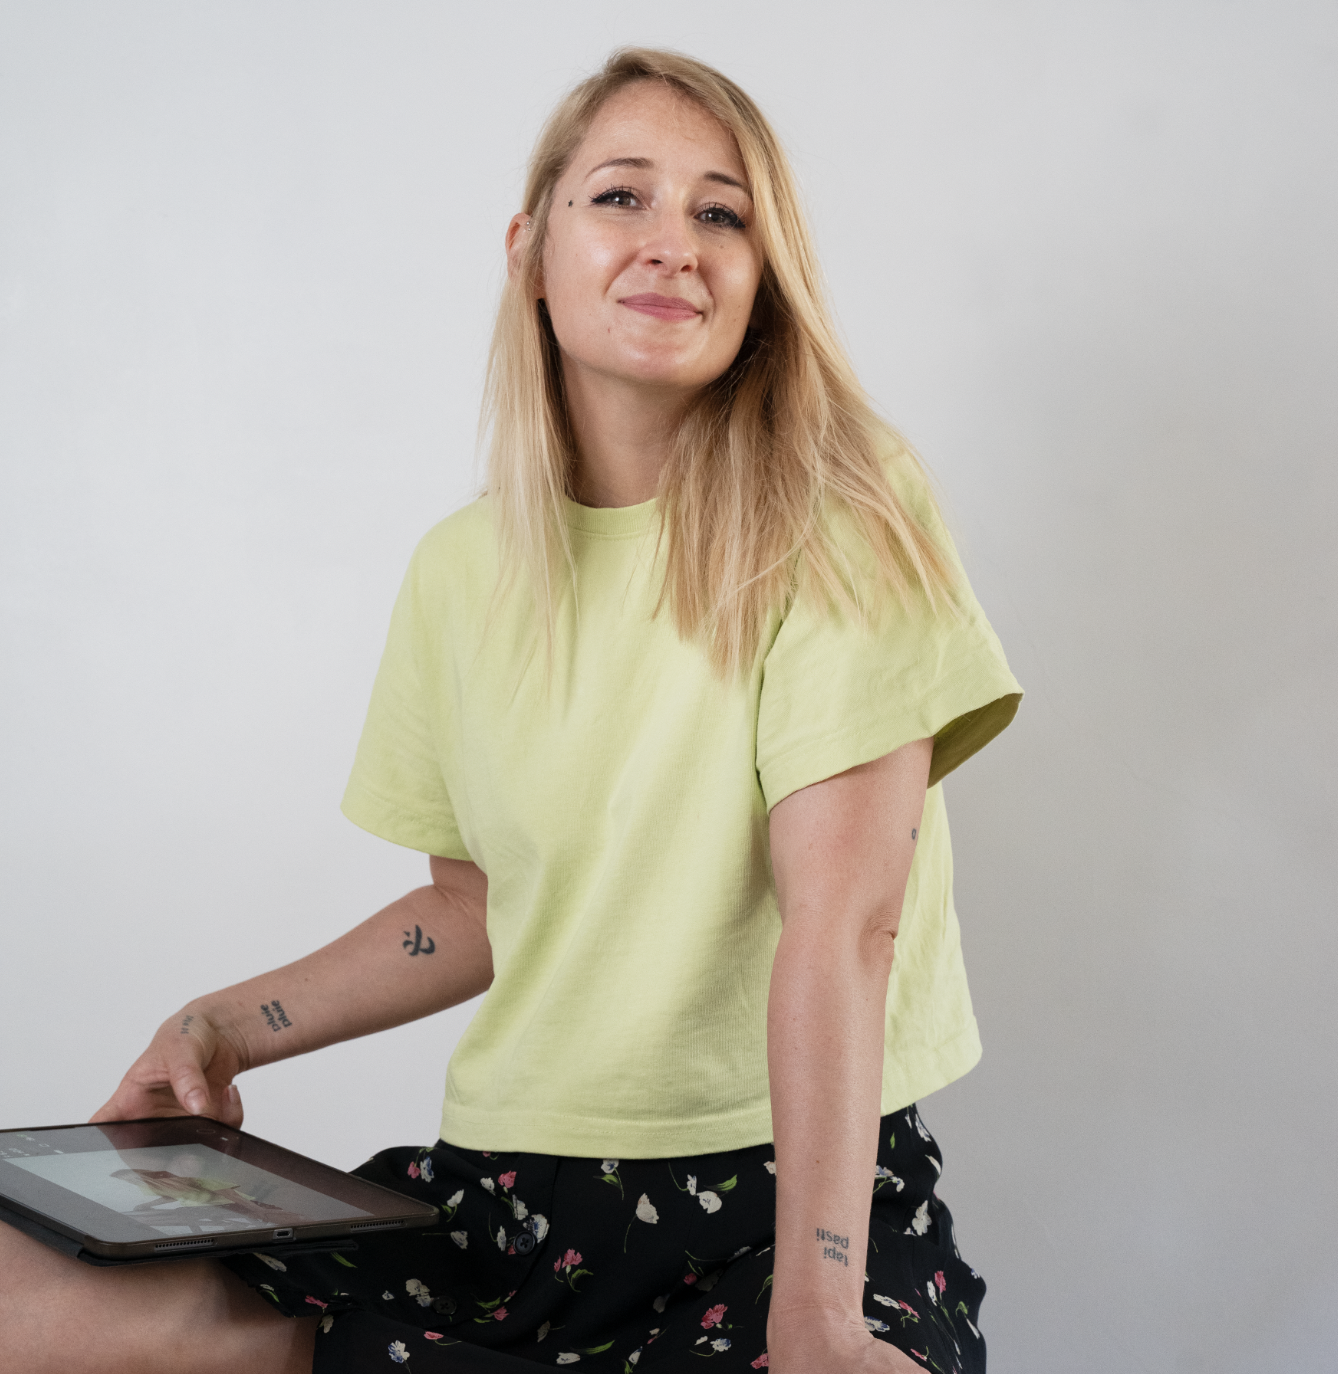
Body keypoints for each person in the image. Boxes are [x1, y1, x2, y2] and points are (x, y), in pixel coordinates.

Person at [0, 47, 1020, 1374]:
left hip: (785, 1212)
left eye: (722, 212)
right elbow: (476, 906)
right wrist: (218, 1026)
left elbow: (849, 921)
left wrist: (819, 1315)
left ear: (763, 280)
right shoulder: (460, 569)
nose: (674, 243)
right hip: (505, 1208)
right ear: (530, 247)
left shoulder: (841, 512)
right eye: (621, 197)